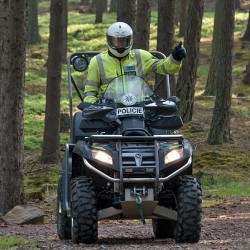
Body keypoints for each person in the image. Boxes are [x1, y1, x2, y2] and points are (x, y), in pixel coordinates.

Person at [83, 22, 186, 103]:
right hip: (109, 111)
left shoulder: (140, 56)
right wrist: (93, 106)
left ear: (130, 40)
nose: (120, 44)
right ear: (110, 41)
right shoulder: (97, 61)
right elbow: (90, 91)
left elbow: (164, 67)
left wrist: (175, 58)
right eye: (116, 41)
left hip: (140, 108)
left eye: (124, 40)